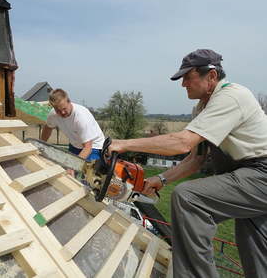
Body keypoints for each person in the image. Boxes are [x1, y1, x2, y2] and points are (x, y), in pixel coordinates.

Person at [109, 49, 267, 278]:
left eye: (188, 77)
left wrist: (123, 144)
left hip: (260, 174)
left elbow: (182, 143)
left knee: (188, 199)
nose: (183, 84)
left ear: (211, 76)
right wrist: (160, 179)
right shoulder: (203, 108)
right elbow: (196, 159)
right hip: (250, 177)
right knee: (255, 249)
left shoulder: (231, 97)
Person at [41, 89, 105, 164]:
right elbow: (48, 128)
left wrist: (73, 165)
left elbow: (88, 148)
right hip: (75, 145)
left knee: (85, 172)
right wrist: (41, 144)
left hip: (94, 147)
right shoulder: (53, 114)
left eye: (64, 108)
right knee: (67, 169)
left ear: (69, 101)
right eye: (58, 110)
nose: (62, 112)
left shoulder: (81, 117)